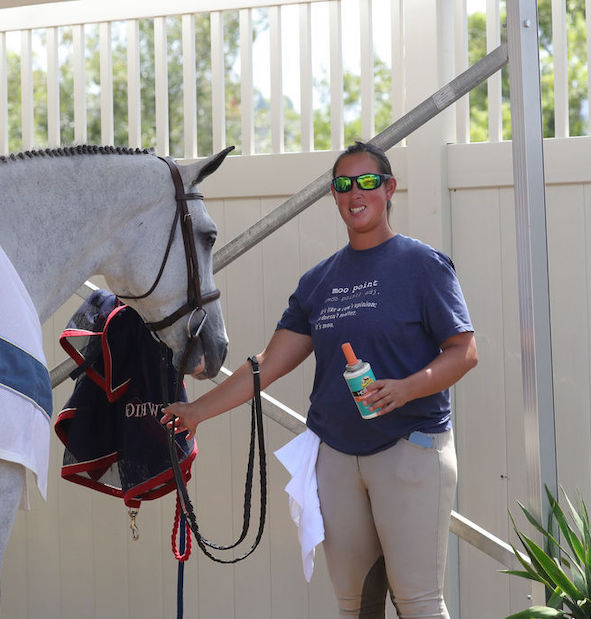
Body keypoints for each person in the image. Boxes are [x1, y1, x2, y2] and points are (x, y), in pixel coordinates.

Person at [160, 141, 477, 618]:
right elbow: (267, 363)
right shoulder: (319, 281)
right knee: (353, 605)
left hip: (411, 448)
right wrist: (196, 412)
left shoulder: (421, 265)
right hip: (336, 458)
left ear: (389, 189)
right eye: (343, 184)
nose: (356, 192)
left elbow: (464, 352)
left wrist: (405, 387)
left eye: (368, 181)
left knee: (418, 602)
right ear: (333, 194)